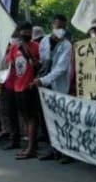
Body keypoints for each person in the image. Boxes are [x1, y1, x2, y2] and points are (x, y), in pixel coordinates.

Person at [33, 15, 73, 163]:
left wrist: (43, 80)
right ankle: (53, 149)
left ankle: (66, 152)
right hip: (44, 86)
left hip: (57, 86)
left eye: (63, 27)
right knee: (47, 119)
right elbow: (43, 61)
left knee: (61, 119)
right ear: (52, 26)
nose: (60, 30)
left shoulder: (66, 45)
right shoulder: (44, 41)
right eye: (58, 27)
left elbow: (61, 68)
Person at [5, 22, 41, 159]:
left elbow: (42, 65)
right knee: (26, 118)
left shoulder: (36, 46)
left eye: (29, 31)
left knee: (32, 118)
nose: (27, 34)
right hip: (17, 88)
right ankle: (32, 145)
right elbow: (10, 66)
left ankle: (31, 148)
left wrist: (34, 62)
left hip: (30, 87)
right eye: (24, 31)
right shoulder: (14, 48)